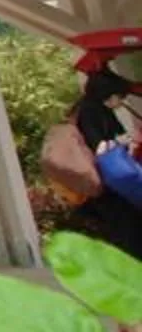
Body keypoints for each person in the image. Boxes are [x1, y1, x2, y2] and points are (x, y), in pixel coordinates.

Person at [59, 28, 142, 262]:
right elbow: (101, 147)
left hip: (113, 182)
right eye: (120, 96)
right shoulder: (92, 112)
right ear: (108, 94)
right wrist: (123, 141)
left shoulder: (94, 109)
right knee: (127, 227)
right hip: (111, 184)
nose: (122, 101)